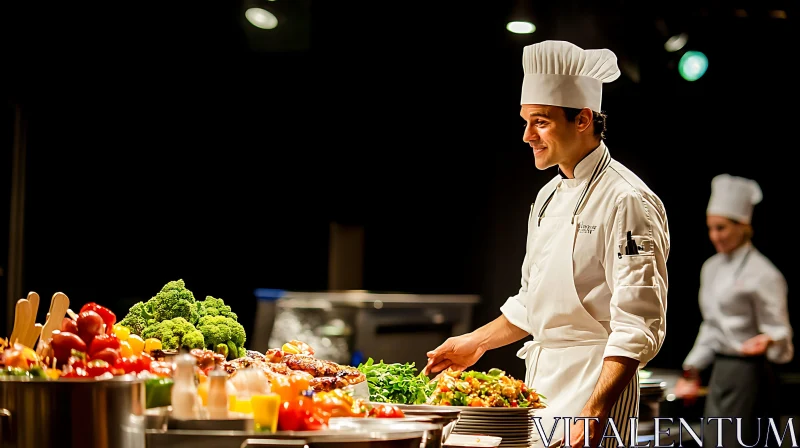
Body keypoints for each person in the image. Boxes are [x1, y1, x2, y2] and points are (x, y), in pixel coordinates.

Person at [424, 40, 670, 448]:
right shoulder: (547, 196)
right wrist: (476, 343)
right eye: (525, 121)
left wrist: (595, 410)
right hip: (541, 386)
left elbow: (638, 321)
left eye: (540, 121)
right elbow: (533, 301)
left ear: (583, 119)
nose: (526, 136)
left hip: (596, 387)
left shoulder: (628, 198)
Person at [675, 174, 792, 448]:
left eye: (722, 228)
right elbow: (711, 326)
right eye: (710, 228)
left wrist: (771, 340)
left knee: (739, 441)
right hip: (721, 371)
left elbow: (780, 329)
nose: (714, 236)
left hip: (752, 375)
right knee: (714, 440)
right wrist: (692, 369)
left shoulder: (764, 273)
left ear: (743, 226)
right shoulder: (710, 267)